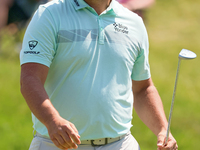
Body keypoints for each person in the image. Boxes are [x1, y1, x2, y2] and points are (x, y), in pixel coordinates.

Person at [20, 0, 178, 150]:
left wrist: (163, 129)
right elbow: (30, 77)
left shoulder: (134, 22)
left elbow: (142, 88)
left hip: (120, 143)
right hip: (57, 143)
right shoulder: (49, 14)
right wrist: (52, 120)